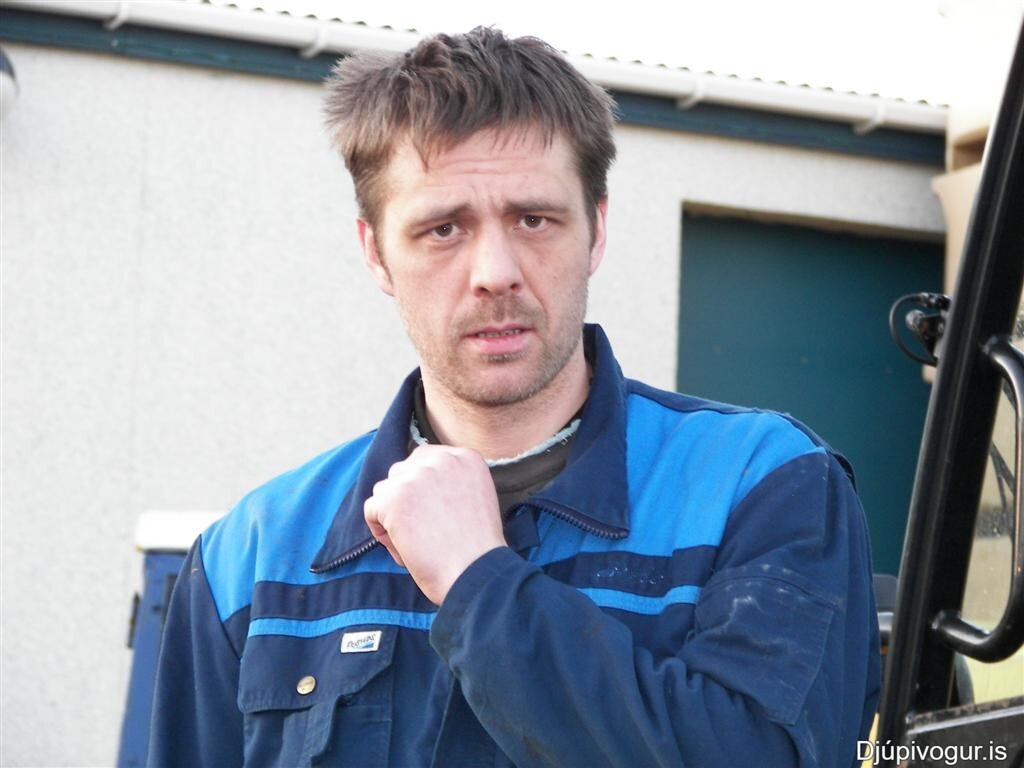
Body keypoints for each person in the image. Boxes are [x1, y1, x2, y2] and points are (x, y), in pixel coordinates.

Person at [149, 26, 880, 768]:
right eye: (443, 229)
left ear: (596, 229)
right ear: (376, 253)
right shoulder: (251, 556)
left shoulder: (763, 488)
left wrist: (478, 579)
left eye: (534, 219)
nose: (495, 272)